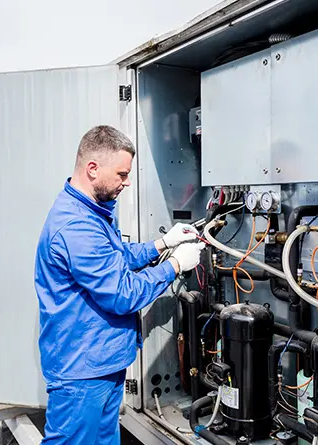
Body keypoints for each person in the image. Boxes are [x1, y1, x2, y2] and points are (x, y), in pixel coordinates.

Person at [34, 125, 205, 444]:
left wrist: (161, 244)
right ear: (93, 168)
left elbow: (114, 257)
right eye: (122, 174)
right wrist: (176, 264)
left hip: (100, 362)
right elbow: (122, 294)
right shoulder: (76, 226)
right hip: (82, 371)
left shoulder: (92, 212)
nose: (127, 182)